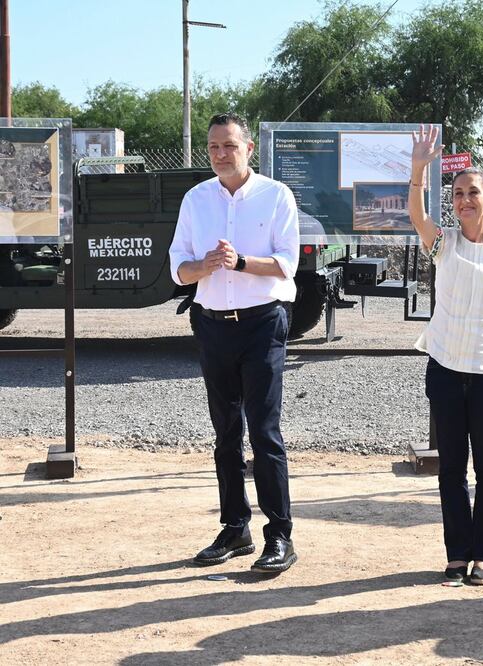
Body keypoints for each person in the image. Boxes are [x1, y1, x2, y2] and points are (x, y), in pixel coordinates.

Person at [169, 113, 300, 573]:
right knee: (226, 432)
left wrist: (240, 262)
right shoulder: (196, 199)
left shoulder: (275, 195)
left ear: (248, 148)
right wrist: (201, 268)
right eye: (213, 147)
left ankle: (280, 536)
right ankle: (235, 527)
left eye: (229, 145)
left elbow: (287, 264)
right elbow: (177, 267)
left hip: (263, 323)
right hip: (211, 324)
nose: (221, 154)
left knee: (263, 431)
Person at [408, 125, 483, 585]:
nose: (465, 200)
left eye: (473, 192)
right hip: (444, 368)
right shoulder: (444, 244)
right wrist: (420, 167)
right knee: (452, 468)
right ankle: (457, 554)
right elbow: (417, 215)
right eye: (458, 193)